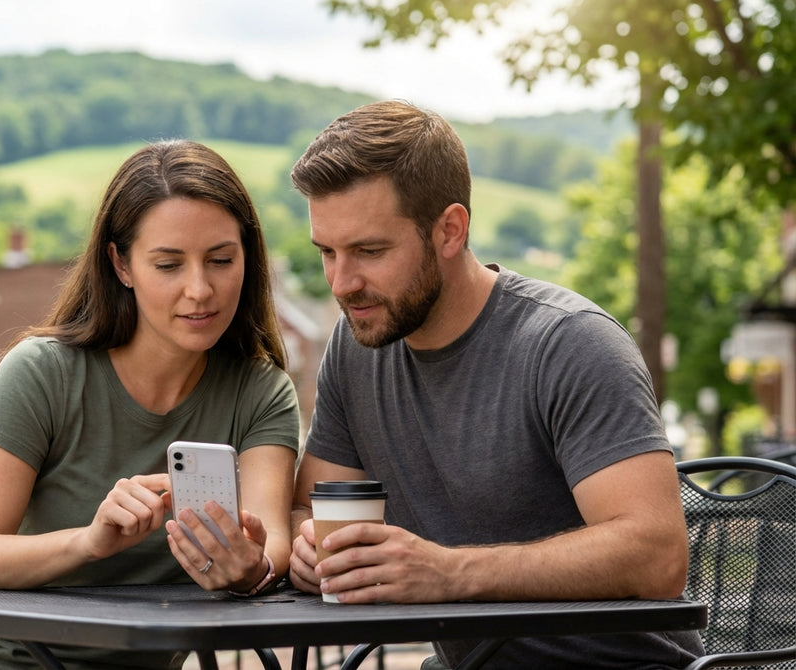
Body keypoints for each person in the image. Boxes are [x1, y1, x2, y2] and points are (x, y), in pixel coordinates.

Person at [286, 100, 704, 669]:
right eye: (327, 253)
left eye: (369, 251)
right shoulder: (357, 348)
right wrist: (310, 552)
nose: (342, 282)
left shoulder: (568, 343)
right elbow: (307, 512)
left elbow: (657, 555)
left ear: (450, 231)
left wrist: (446, 572)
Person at [0, 139, 300, 670]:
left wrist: (249, 568)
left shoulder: (261, 392)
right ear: (121, 265)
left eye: (221, 260)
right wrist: (90, 543)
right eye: (168, 265)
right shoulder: (42, 372)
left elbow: (273, 545)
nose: (200, 289)